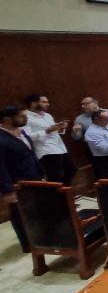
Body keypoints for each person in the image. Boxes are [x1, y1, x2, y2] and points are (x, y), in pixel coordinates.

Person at [0, 105, 44, 252]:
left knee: (36, 210)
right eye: (21, 116)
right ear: (7, 119)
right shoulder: (1, 138)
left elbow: (30, 155)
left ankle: (40, 238)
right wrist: (7, 190)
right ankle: (28, 244)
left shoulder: (22, 132)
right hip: (17, 184)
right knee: (20, 214)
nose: (26, 118)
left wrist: (41, 174)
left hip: (34, 179)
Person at [22, 94, 76, 185]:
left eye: (47, 102)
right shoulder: (26, 117)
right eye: (43, 102)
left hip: (60, 148)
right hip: (46, 151)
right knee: (54, 177)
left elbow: (54, 131)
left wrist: (61, 128)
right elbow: (26, 137)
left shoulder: (47, 115)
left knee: (71, 170)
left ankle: (65, 194)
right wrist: (46, 131)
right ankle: (58, 197)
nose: (47, 104)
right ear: (33, 104)